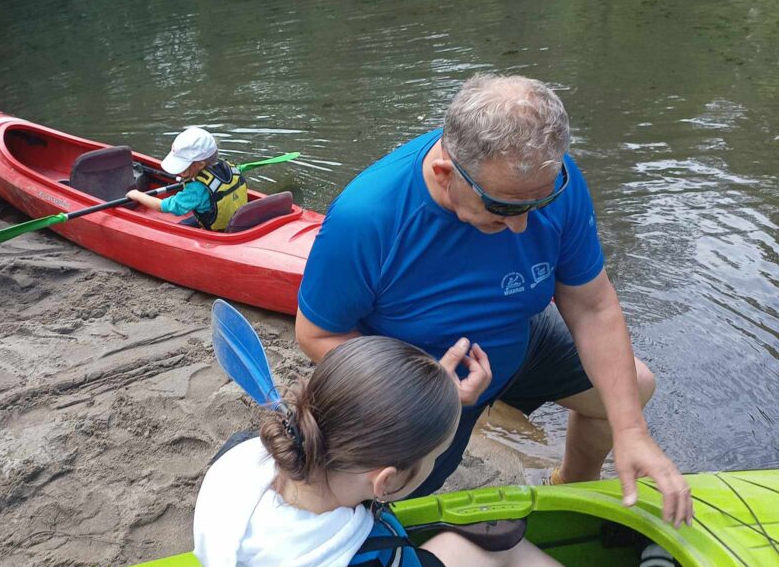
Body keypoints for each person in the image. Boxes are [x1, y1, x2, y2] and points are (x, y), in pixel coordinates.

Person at [295, 74, 693, 527]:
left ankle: (572, 492)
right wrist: (429, 387)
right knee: (391, 495)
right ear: (446, 174)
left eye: (538, 206)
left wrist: (631, 432)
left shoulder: (549, 180)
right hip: (425, 374)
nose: (524, 228)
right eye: (502, 209)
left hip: (518, 335)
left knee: (632, 390)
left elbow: (592, 306)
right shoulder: (368, 218)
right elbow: (316, 333)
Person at [194, 335, 676, 567]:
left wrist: (431, 398)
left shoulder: (252, 455)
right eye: (433, 457)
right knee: (497, 543)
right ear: (385, 482)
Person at [126, 127, 248, 231]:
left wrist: (136, 195)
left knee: (178, 229)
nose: (179, 172)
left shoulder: (196, 190)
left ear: (200, 164)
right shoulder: (228, 168)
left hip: (218, 230)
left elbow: (163, 206)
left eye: (184, 168)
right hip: (234, 219)